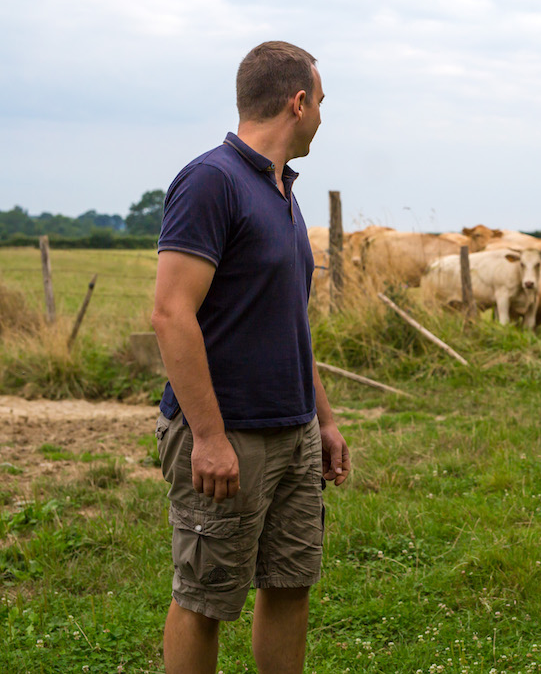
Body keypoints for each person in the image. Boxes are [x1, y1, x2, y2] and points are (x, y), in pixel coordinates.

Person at [150, 41, 351, 674]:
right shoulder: (213, 180)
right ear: (297, 102)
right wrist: (208, 436)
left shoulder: (282, 192)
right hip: (227, 434)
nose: (322, 115)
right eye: (320, 102)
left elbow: (290, 320)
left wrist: (323, 420)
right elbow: (170, 312)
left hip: (292, 433)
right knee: (205, 599)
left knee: (289, 585)